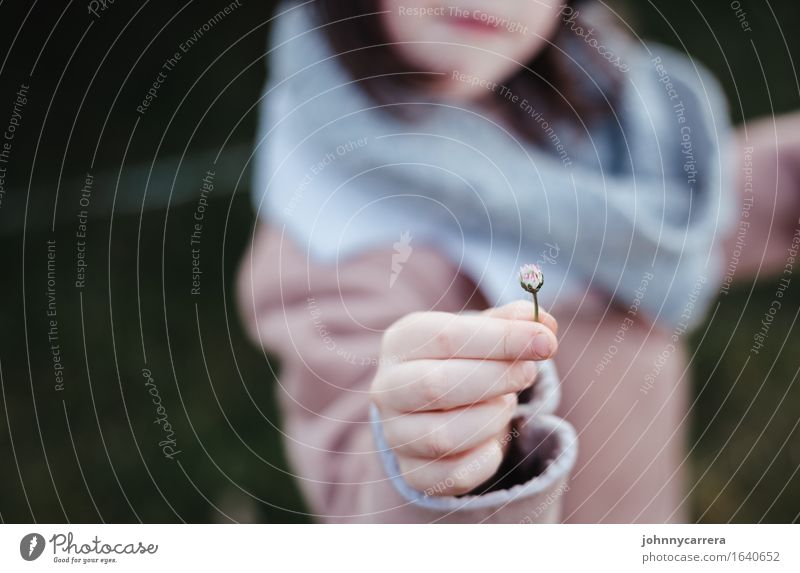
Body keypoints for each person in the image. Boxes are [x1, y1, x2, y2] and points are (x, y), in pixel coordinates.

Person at [237, 0, 798, 522]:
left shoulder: (585, 111)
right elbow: (363, 489)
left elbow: (649, 235)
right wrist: (432, 461)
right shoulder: (333, 237)